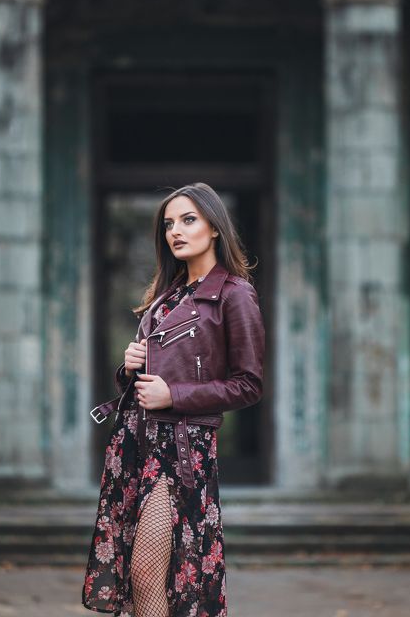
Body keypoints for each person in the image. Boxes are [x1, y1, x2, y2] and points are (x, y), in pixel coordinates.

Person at [82, 182, 265, 617]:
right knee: (138, 577)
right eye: (168, 224)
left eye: (188, 220)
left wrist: (173, 395)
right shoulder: (165, 296)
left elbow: (249, 384)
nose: (175, 232)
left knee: (150, 573)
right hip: (135, 446)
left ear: (214, 227)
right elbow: (153, 375)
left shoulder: (234, 294)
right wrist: (128, 368)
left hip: (180, 453)